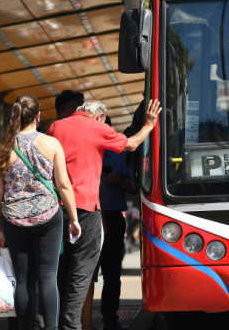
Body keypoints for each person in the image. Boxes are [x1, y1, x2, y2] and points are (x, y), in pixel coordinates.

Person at [47, 98, 161, 330]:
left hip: (56, 209)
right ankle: (73, 326)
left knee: (59, 273)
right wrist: (148, 125)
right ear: (99, 116)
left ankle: (57, 324)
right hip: (86, 210)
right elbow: (130, 144)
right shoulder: (98, 127)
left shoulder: (55, 127)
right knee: (82, 274)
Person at [0, 94, 80, 330]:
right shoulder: (51, 144)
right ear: (38, 117)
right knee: (48, 277)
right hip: (48, 216)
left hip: (13, 218)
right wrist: (73, 218)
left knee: (23, 280)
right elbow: (63, 185)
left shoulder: (2, 147)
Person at [97, 118, 133, 330]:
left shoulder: (120, 153)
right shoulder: (81, 149)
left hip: (112, 215)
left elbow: (133, 187)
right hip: (88, 216)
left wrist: (118, 180)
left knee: (111, 273)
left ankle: (110, 317)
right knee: (81, 272)